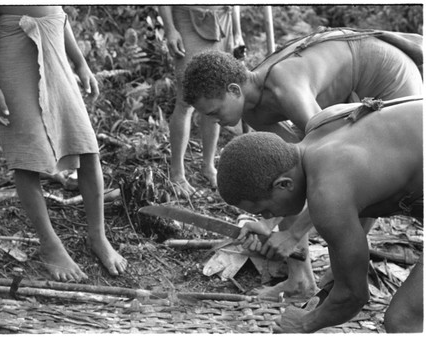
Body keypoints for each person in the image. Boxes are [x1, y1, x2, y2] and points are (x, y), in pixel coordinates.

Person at [183, 27, 422, 299]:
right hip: (351, 92)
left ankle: (346, 279)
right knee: (285, 175)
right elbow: (288, 175)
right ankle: (300, 280)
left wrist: (294, 234)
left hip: (389, 79)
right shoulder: (254, 112)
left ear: (234, 90)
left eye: (214, 112)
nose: (215, 121)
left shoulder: (286, 88)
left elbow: (336, 165)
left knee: (358, 183)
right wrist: (267, 224)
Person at [217, 98, 423, 333]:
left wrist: (303, 323)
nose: (268, 216)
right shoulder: (321, 125)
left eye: (265, 211)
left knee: (404, 320)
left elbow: (353, 296)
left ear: (283, 184)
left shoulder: (328, 194)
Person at [0, 5, 127, 281]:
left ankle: (98, 237)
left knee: (86, 145)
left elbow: (58, 9)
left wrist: (80, 62)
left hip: (55, 44)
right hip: (15, 48)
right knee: (27, 156)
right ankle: (50, 245)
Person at [158, 5, 244, 197]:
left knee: (216, 95)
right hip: (188, 18)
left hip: (223, 20)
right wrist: (170, 29)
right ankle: (177, 173)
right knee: (186, 100)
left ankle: (208, 166)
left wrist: (237, 32)